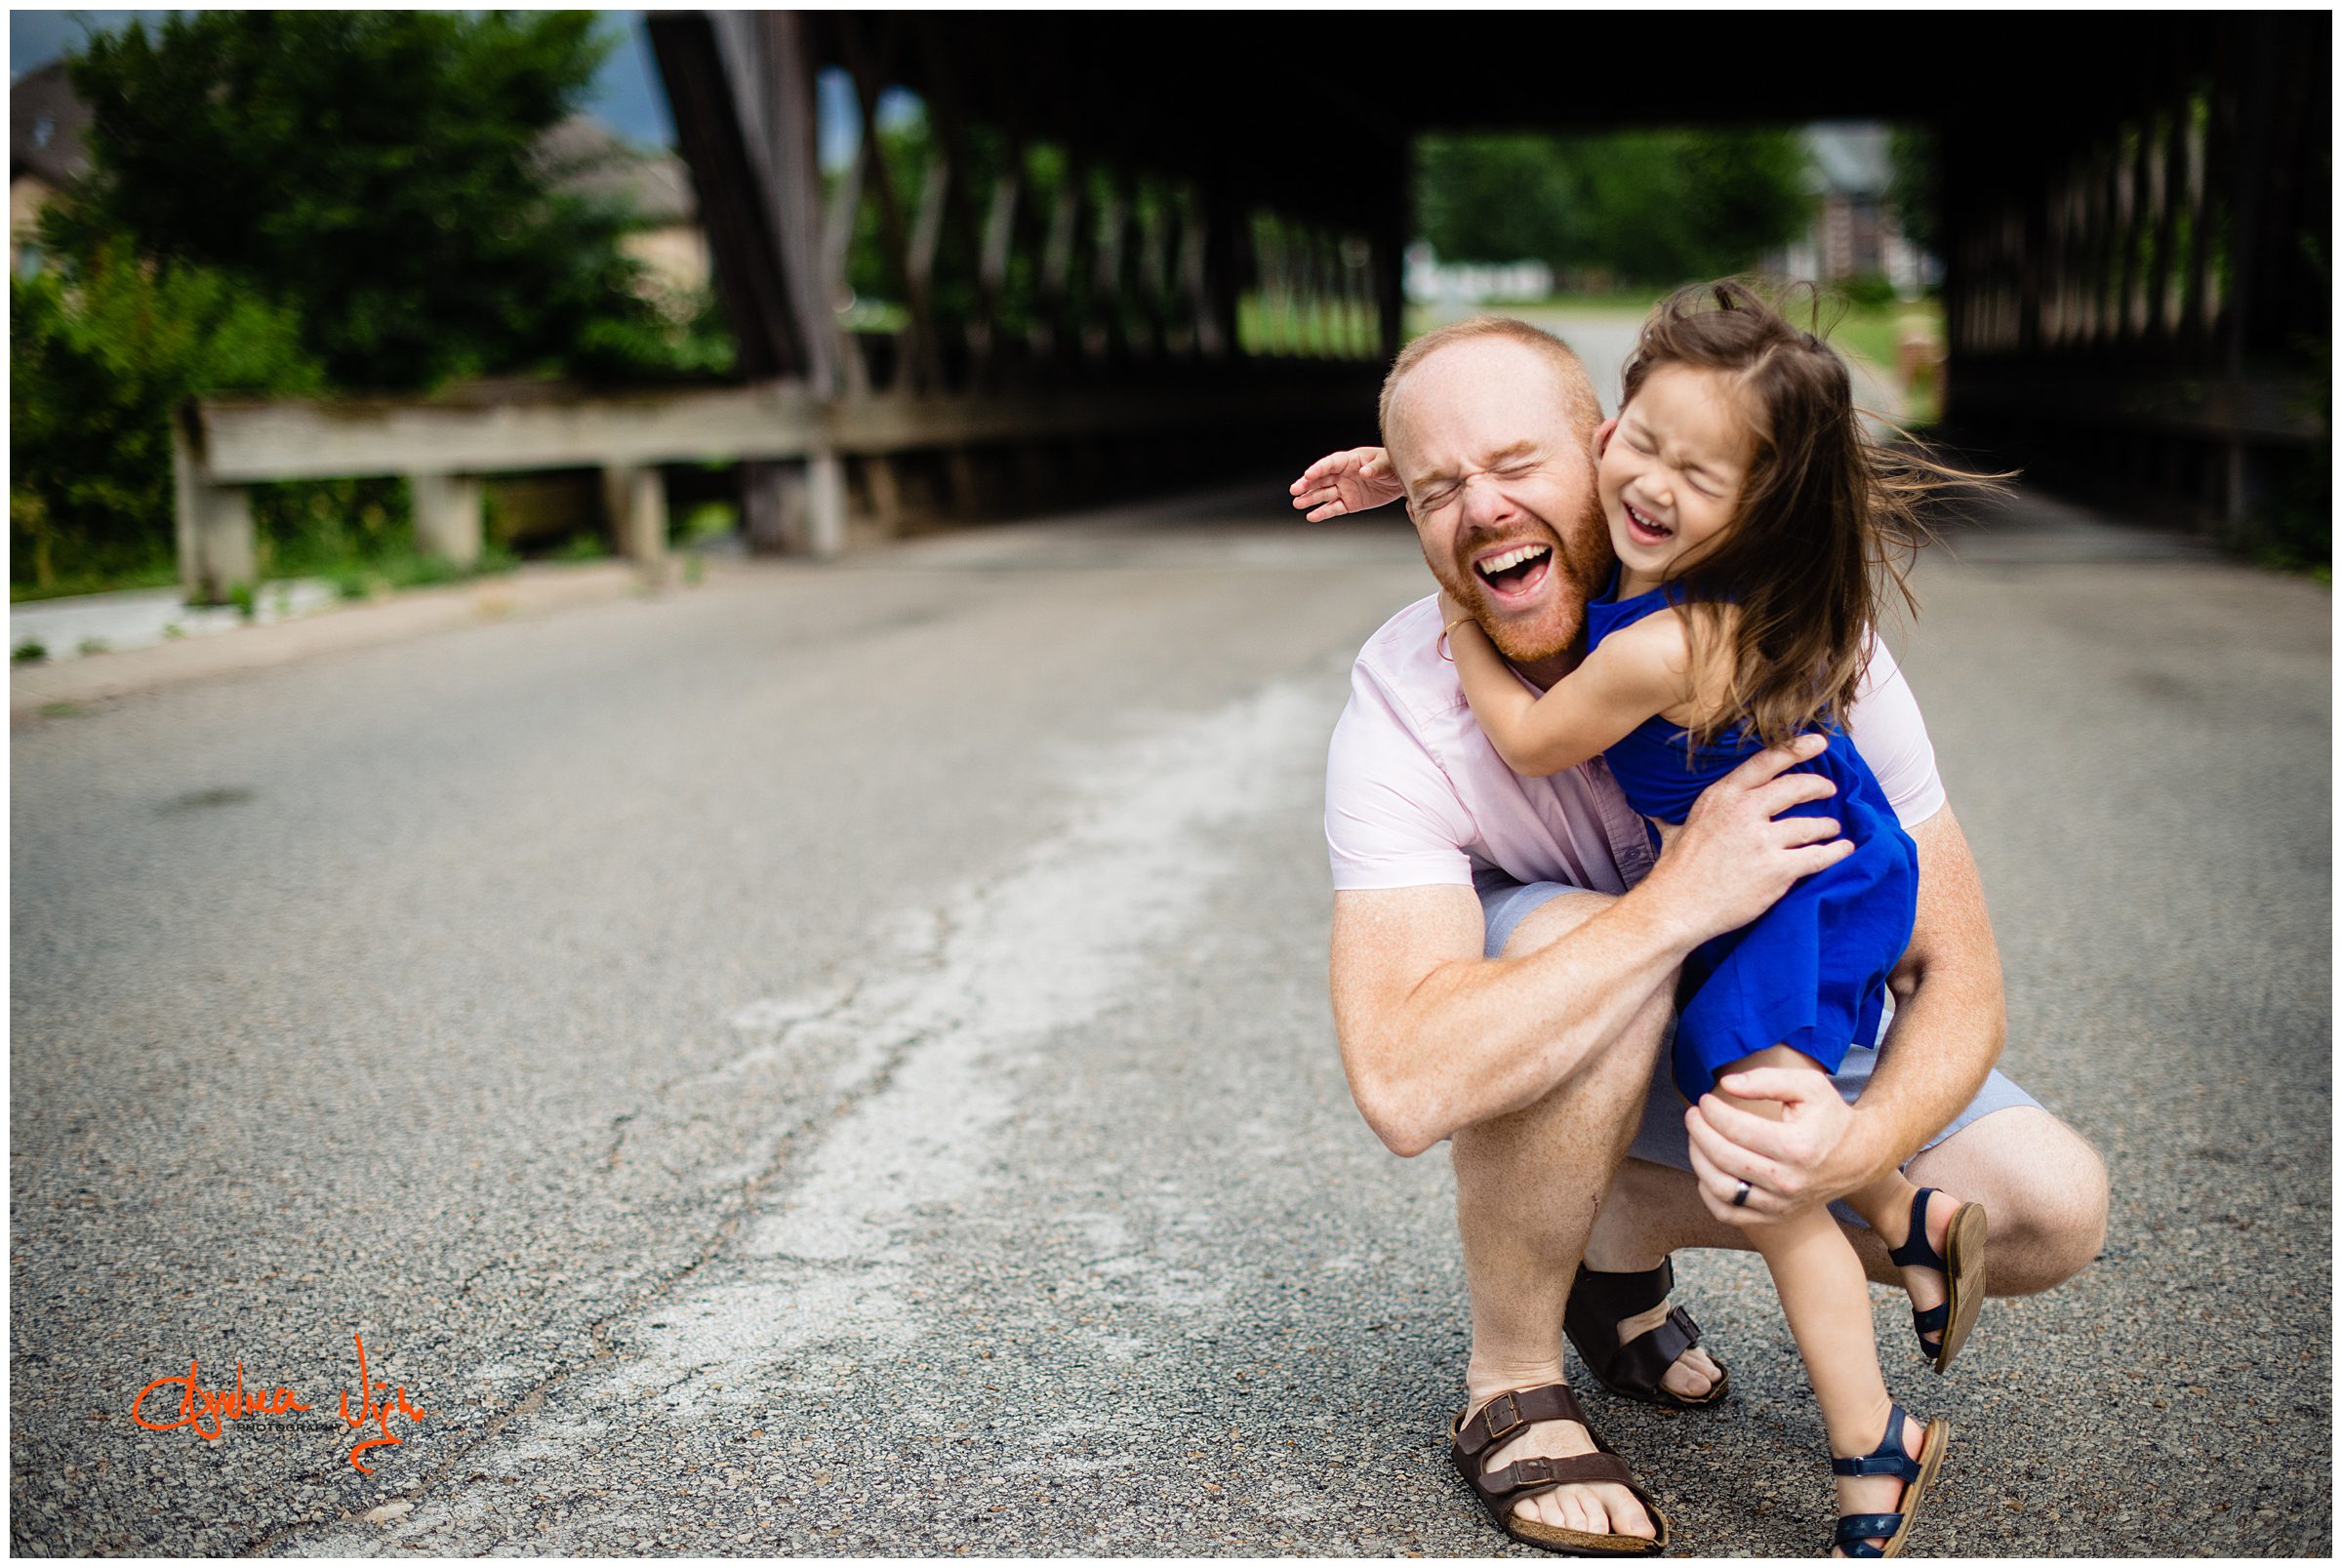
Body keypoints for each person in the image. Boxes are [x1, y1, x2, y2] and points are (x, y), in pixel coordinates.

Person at [1294, 306, 2109, 1555]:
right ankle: (1512, 1376)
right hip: (1619, 1013)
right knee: (1584, 930)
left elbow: (1957, 972)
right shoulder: (1404, 706)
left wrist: (1854, 1142)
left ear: (1606, 448)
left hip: (1758, 999)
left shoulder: (1799, 637)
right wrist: (1679, 900)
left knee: (2048, 1205)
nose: (1482, 510)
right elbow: (1403, 1085)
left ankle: (1608, 1231)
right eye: (1437, 493)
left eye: (1520, 466)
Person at [1436, 281, 1987, 1557]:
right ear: (1612, 419)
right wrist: (1412, 476)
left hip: (1791, 890)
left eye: (1706, 471)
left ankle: (1875, 1441)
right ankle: (1908, 1215)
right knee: (1770, 1129)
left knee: (1760, 1164)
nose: (1653, 481)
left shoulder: (1664, 645)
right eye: (1644, 437)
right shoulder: (1700, 563)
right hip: (1816, 863)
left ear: (1763, 508)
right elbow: (1552, 454)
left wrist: (1460, 611)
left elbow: (1526, 739)